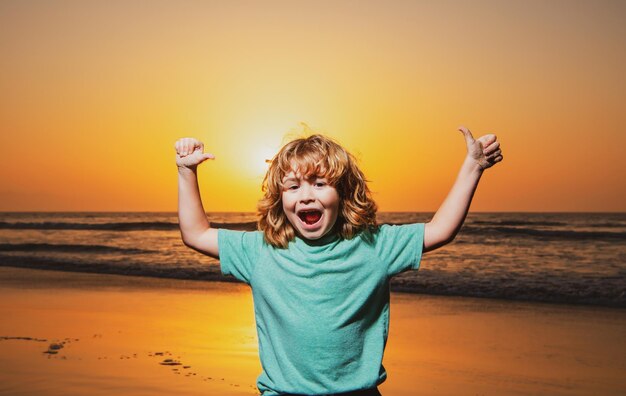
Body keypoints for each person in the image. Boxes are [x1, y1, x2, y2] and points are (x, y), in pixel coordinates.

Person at [175, 127, 503, 396]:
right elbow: (196, 233)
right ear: (280, 199)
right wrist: (186, 170)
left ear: (345, 194)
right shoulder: (261, 251)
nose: (306, 195)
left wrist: (473, 167)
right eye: (293, 186)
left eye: (320, 184)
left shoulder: (376, 246)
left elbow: (440, 230)